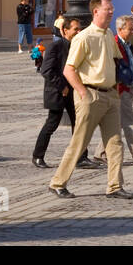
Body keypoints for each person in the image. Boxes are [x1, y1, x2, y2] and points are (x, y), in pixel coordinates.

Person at [47, 0, 133, 198]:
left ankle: (114, 186)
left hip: (111, 95)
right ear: (96, 11)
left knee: (115, 144)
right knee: (79, 143)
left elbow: (115, 61)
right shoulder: (83, 37)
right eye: (108, 9)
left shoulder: (108, 34)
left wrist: (119, 86)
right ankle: (58, 182)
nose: (111, 11)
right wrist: (84, 93)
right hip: (91, 95)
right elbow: (69, 70)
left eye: (112, 8)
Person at [93, 14, 133, 166]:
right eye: (130, 29)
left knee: (116, 124)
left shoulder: (127, 44)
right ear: (120, 29)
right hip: (120, 89)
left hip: (128, 87)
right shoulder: (114, 44)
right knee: (129, 123)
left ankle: (100, 152)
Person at [32, 16, 87, 168]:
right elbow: (47, 70)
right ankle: (38, 156)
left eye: (79, 28)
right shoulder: (55, 46)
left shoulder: (76, 46)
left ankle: (81, 157)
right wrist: (62, 86)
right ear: (65, 30)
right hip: (57, 92)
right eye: (75, 29)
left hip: (72, 91)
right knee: (52, 124)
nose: (78, 31)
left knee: (79, 124)